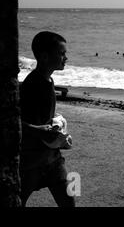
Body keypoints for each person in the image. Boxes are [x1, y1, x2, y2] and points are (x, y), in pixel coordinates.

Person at [19, 31, 75, 207]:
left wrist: (57, 124)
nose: (66, 58)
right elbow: (13, 122)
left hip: (52, 158)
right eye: (62, 53)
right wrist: (39, 130)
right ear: (44, 56)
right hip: (31, 161)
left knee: (70, 198)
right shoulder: (31, 85)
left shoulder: (48, 80)